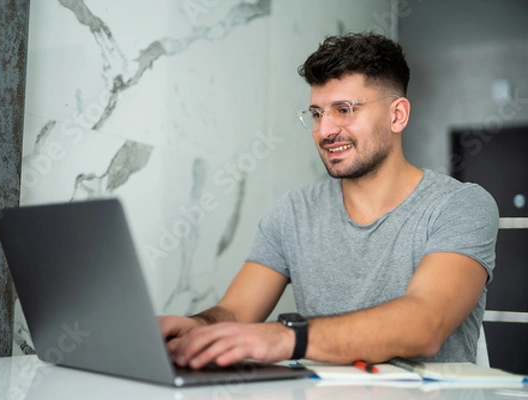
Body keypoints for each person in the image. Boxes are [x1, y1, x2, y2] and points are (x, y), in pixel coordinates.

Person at [158, 32, 499, 369]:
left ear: (397, 116)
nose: (324, 131)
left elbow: (426, 323)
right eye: (318, 113)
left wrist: (285, 338)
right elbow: (235, 312)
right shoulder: (294, 211)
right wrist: (198, 326)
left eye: (344, 109)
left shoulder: (460, 206)